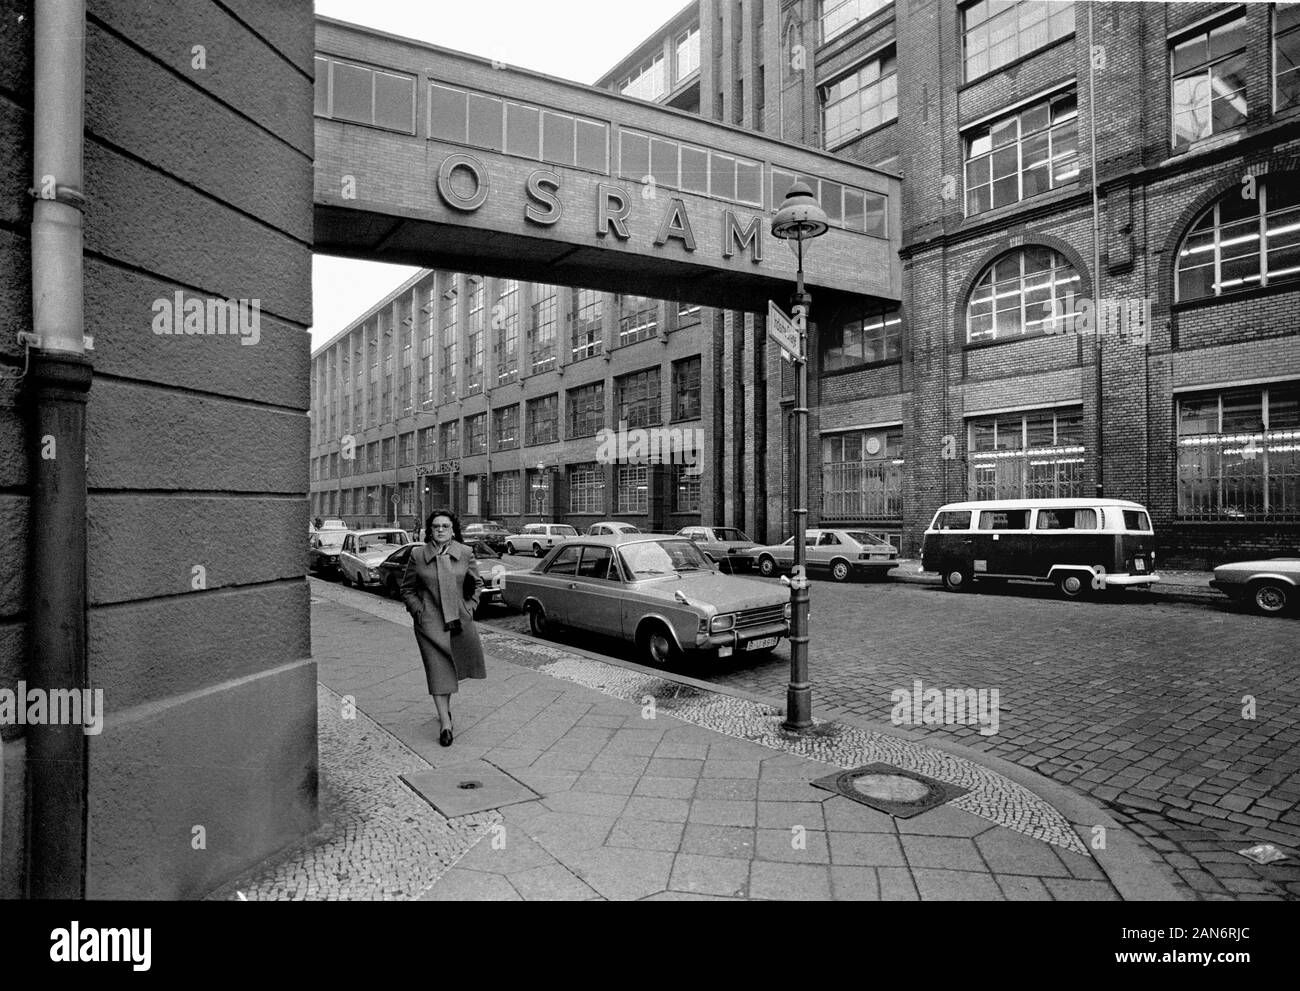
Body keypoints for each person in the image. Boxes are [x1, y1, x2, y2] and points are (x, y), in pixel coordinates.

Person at [399, 508, 486, 747]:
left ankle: (445, 713)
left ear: (453, 530)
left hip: (459, 621)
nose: (440, 530)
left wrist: (470, 607)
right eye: (435, 526)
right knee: (437, 670)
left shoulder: (465, 552)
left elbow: (477, 583)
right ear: (430, 530)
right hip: (429, 624)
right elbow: (406, 588)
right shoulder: (418, 555)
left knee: (451, 668)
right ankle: (445, 723)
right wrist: (419, 611)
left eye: (445, 526)